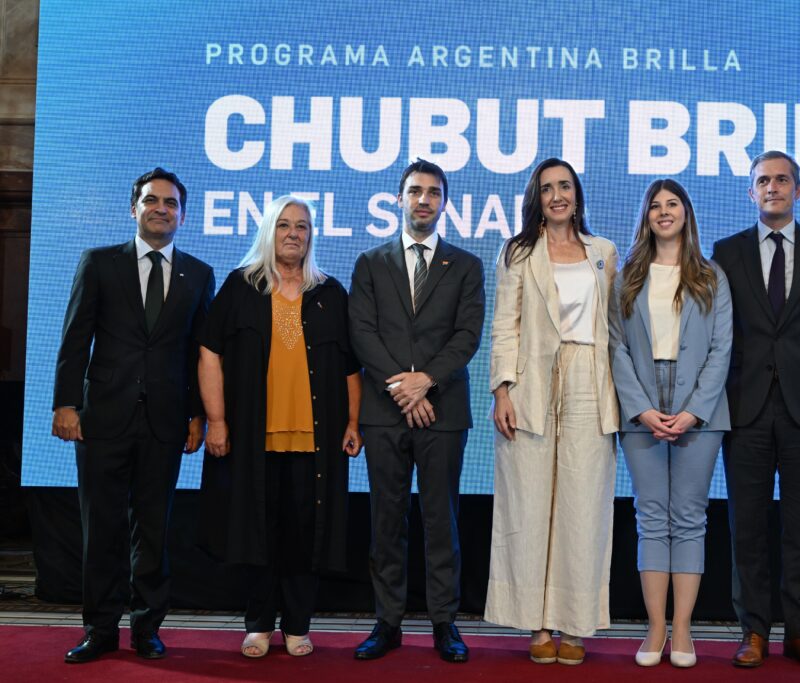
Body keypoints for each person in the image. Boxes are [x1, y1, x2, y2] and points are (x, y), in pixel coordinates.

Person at [52, 168, 214, 663]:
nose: (161, 208)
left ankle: (147, 629)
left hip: (166, 421)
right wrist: (65, 404)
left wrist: (198, 415)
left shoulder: (198, 274)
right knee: (101, 529)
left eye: (171, 203)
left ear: (183, 215)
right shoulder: (99, 263)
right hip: (102, 417)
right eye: (151, 200)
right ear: (133, 208)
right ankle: (99, 630)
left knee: (153, 529)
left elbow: (198, 353)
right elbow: (75, 337)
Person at [196, 195, 362, 658]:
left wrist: (353, 421)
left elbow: (351, 367)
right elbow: (209, 353)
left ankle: (297, 625)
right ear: (269, 232)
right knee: (257, 532)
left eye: (302, 226)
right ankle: (258, 625)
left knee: (304, 536)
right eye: (284, 225)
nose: (293, 233)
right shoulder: (240, 286)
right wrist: (216, 420)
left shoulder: (330, 293)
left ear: (311, 236)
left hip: (315, 442)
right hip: (253, 439)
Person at [711, 151, 800, 671]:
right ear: (750, 192)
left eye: (781, 179)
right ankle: (753, 632)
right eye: (762, 181)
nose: (771, 187)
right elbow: (717, 329)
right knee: (746, 526)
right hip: (744, 407)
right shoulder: (726, 252)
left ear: (799, 189)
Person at [348, 159, 485, 664]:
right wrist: (403, 388)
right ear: (399, 199)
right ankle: (387, 623)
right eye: (414, 191)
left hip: (442, 411)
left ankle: (444, 622)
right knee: (386, 520)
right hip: (384, 412)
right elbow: (362, 333)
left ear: (444, 202)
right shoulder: (370, 263)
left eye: (433, 192)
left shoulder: (465, 265)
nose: (423, 199)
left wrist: (425, 381)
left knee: (440, 518)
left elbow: (467, 335)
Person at [486, 158, 619, 666]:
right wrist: (502, 390)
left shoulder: (604, 252)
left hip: (590, 379)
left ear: (577, 194)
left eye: (565, 186)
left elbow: (616, 327)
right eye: (547, 189)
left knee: (583, 506)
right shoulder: (518, 252)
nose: (557, 195)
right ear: (536, 199)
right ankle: (538, 624)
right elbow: (505, 324)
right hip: (532, 383)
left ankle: (575, 623)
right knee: (529, 504)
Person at [609, 179, 732, 668]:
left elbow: (722, 348)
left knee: (689, 517)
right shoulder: (627, 276)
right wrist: (640, 408)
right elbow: (616, 346)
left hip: (699, 408)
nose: (664, 212)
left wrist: (694, 410)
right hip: (641, 405)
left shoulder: (711, 276)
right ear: (646, 216)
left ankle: (682, 627)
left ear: (686, 213)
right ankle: (656, 626)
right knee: (651, 517)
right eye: (655, 206)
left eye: (672, 204)